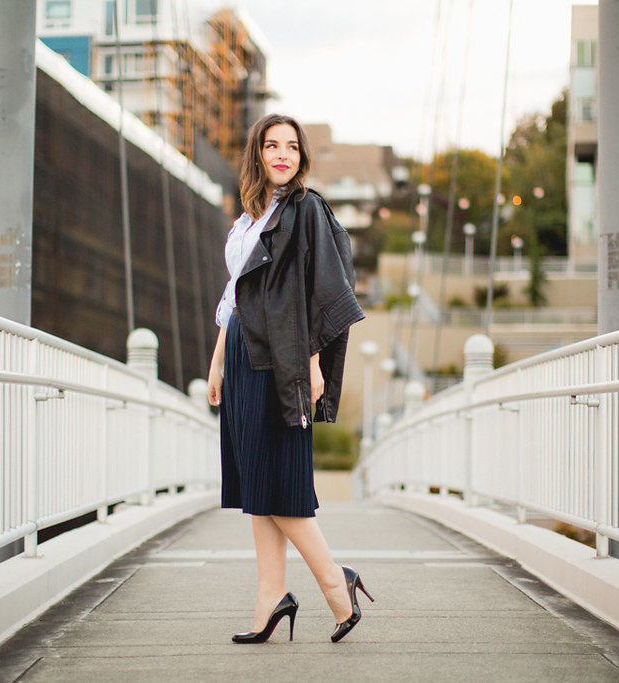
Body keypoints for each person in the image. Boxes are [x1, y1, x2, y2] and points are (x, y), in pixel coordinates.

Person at [206, 113, 371, 644]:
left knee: (283, 488)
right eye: (272, 146)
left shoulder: (304, 210)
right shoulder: (246, 220)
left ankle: (334, 584)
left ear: (301, 157)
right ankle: (270, 596)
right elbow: (235, 297)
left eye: (292, 147)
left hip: (283, 356)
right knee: (259, 482)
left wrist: (313, 361)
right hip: (240, 352)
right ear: (257, 154)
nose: (282, 154)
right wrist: (217, 361)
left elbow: (320, 289)